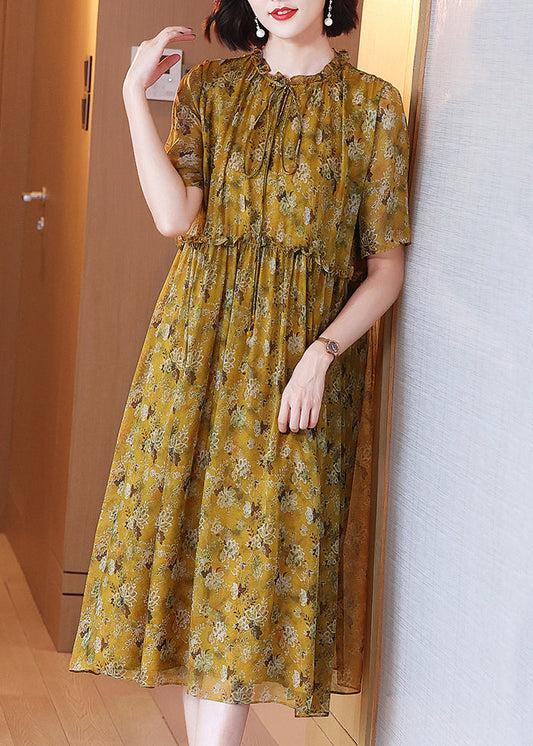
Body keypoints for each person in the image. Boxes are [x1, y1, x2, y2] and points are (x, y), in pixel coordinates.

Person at [69, 0, 411, 744]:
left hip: (294, 377)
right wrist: (132, 97)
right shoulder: (212, 91)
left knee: (248, 579)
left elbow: (385, 269)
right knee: (202, 581)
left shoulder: (373, 107)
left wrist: (322, 355)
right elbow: (174, 218)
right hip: (195, 359)